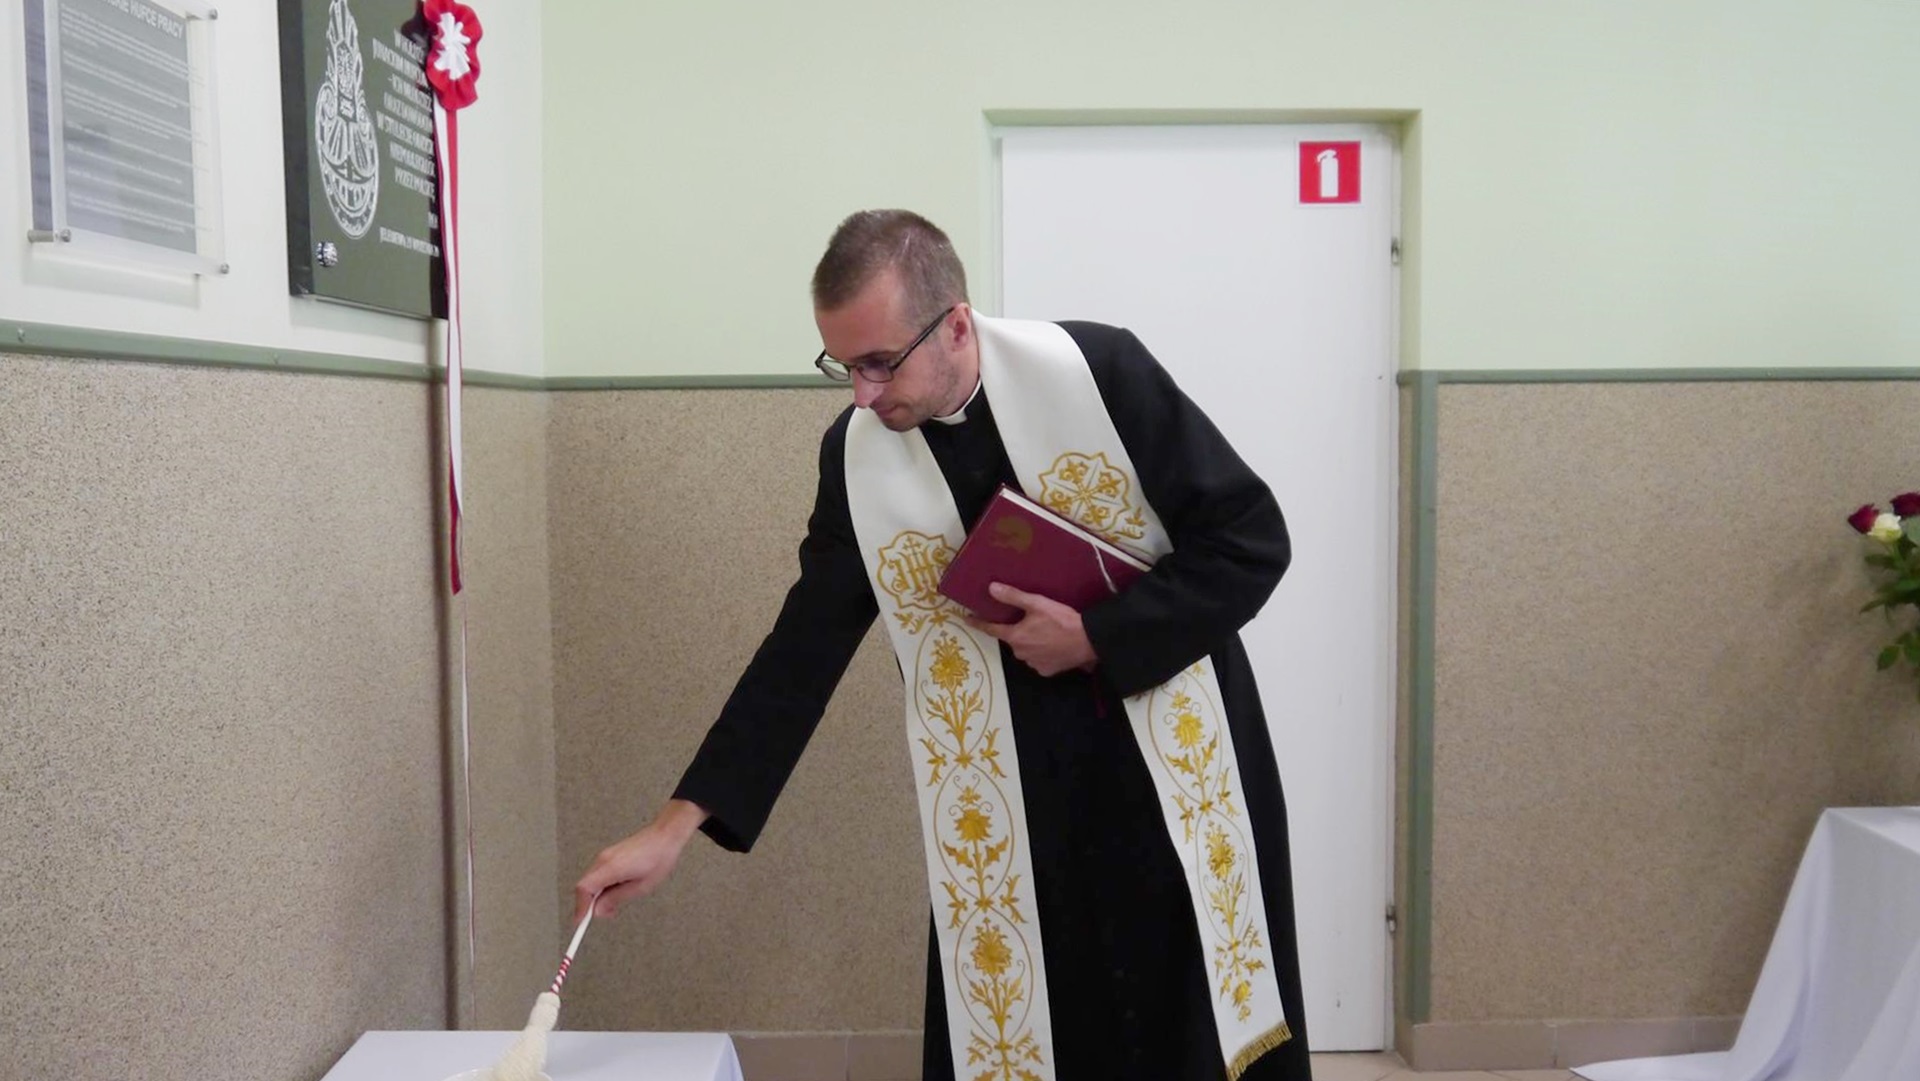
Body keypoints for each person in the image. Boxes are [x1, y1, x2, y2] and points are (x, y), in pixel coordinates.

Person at [574, 210, 1311, 1081]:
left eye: (880, 362)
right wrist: (674, 827)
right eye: (843, 366)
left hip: (1165, 782)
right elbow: (801, 649)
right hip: (1015, 814)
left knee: (1185, 1037)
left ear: (956, 325)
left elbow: (1251, 541)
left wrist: (1095, 636)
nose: (862, 394)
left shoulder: (1099, 374)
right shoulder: (856, 459)